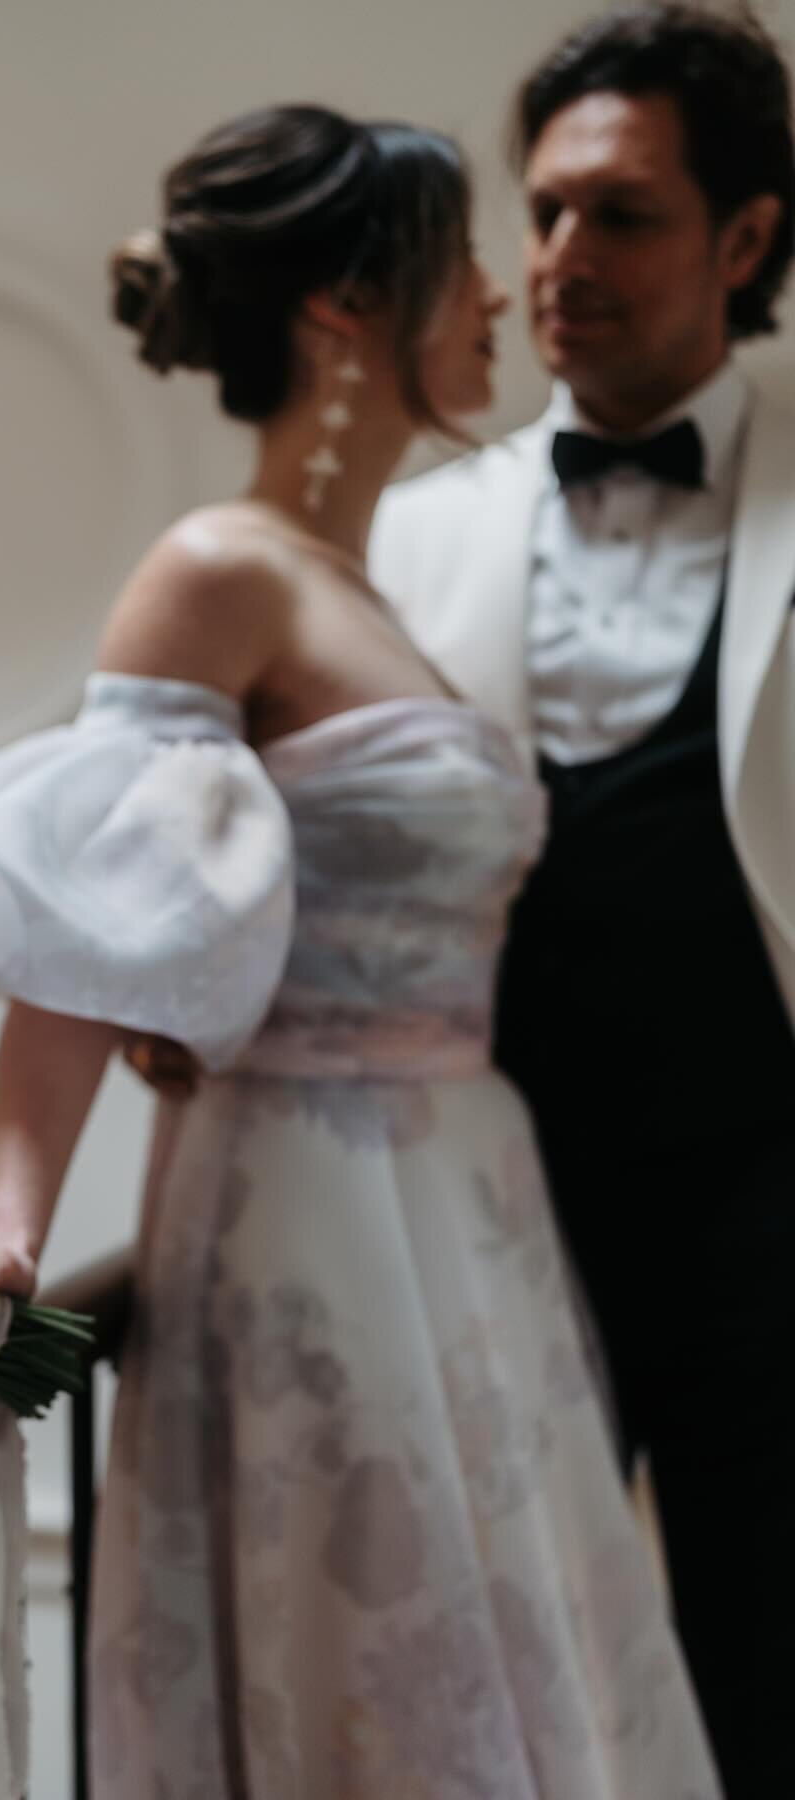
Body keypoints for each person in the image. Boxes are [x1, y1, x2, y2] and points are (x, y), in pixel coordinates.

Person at [0, 105, 719, 1796]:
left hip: (471, 1203)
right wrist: (11, 1229)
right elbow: (90, 925)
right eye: (460, 260)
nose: (496, 298)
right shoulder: (215, 571)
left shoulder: (363, 583)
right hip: (314, 1209)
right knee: (376, 1670)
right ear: (344, 308)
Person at [369, 9, 795, 1793]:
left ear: (747, 239)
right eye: (541, 213)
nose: (557, 261)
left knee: (772, 1658)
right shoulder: (413, 533)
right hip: (488, 1206)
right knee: (495, 1670)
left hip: (770, 1211)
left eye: (617, 215)